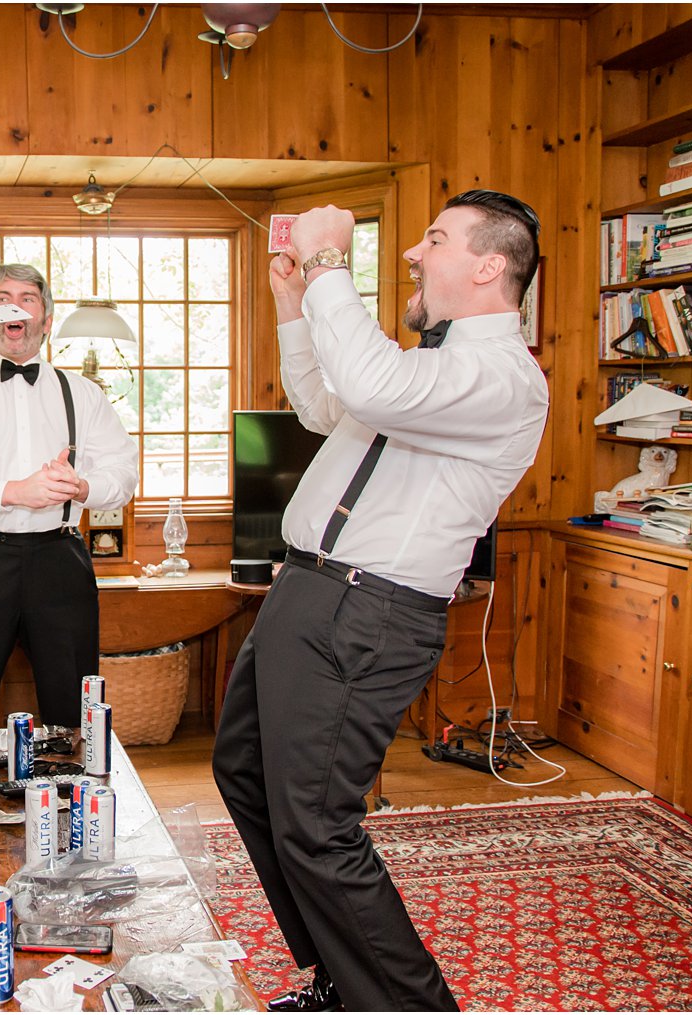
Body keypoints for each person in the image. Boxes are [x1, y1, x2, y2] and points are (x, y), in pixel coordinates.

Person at [211, 191, 550, 1012]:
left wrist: (330, 260)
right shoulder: (428, 367)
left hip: (367, 613)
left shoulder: (504, 376)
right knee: (246, 774)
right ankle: (338, 976)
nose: (413, 253)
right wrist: (297, 306)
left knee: (320, 825)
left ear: (487, 265)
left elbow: (371, 381)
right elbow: (330, 404)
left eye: (433, 238)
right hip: (307, 590)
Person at [0, 264, 138, 732]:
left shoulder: (83, 394)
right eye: (2, 296)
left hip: (60, 558)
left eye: (28, 298)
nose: (14, 304)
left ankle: (72, 804)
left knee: (74, 708)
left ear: (46, 320)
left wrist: (82, 487)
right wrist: (14, 492)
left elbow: (122, 473)